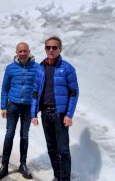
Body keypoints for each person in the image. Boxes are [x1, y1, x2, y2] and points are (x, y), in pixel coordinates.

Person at [31, 36, 79, 181]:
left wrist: (69, 114)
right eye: (48, 47)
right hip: (45, 115)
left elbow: (74, 92)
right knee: (52, 149)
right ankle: (57, 177)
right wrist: (34, 113)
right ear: (45, 49)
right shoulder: (41, 68)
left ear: (60, 49)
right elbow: (34, 92)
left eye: (54, 47)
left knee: (63, 151)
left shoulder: (67, 68)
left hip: (60, 115)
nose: (51, 50)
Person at [0, 42, 39, 180]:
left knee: (24, 135)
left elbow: (39, 90)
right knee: (9, 135)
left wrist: (35, 110)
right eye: (20, 51)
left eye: (25, 51)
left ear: (29, 51)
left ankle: (22, 165)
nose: (23, 53)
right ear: (16, 52)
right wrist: (3, 107)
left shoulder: (37, 68)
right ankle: (4, 166)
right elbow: (5, 88)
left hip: (27, 107)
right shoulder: (10, 68)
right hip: (12, 106)